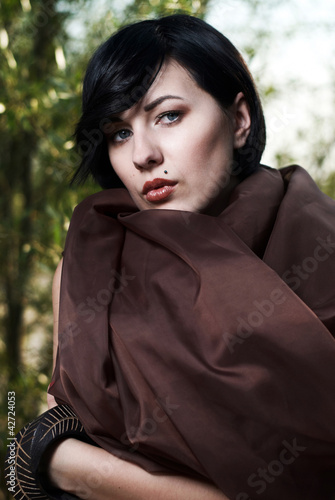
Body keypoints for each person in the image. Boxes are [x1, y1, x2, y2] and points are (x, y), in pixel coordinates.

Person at [5, 13, 335, 500]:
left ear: (239, 120)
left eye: (168, 115)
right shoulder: (94, 263)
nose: (143, 154)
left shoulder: (320, 246)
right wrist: (42, 453)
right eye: (119, 132)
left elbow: (68, 457)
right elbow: (61, 432)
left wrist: (58, 462)